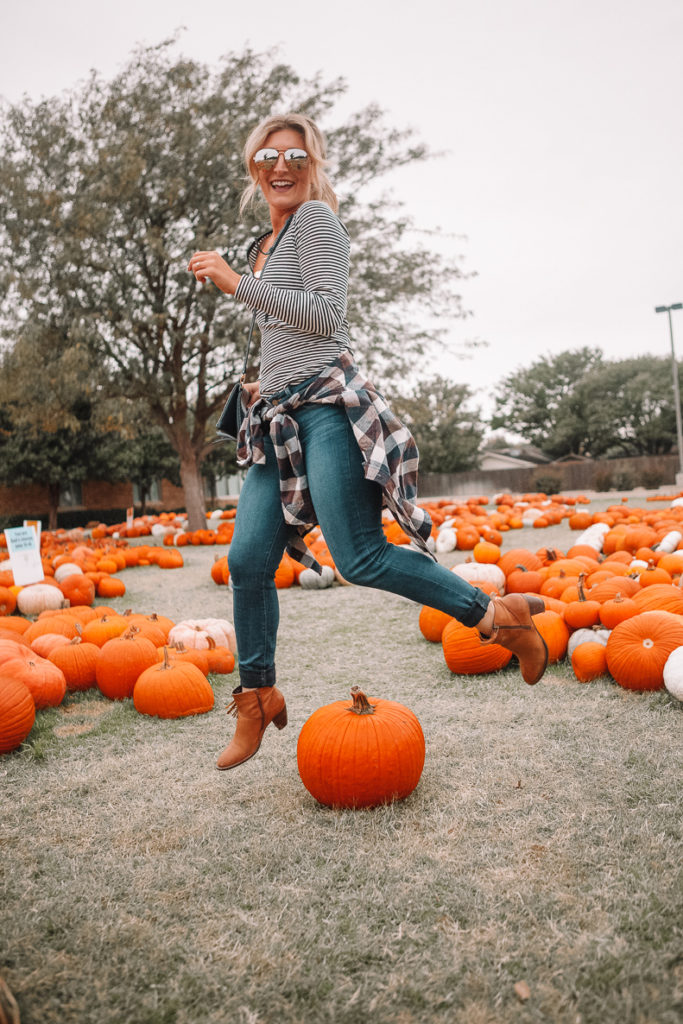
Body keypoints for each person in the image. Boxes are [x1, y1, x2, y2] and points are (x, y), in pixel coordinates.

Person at [188, 113, 548, 771]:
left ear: (313, 164)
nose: (280, 166)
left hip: (326, 408)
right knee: (245, 560)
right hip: (277, 422)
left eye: (295, 155)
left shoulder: (317, 223)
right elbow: (279, 325)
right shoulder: (260, 244)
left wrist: (236, 285)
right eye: (268, 155)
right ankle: (257, 695)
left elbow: (326, 315)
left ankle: (496, 617)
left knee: (358, 557)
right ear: (253, 165)